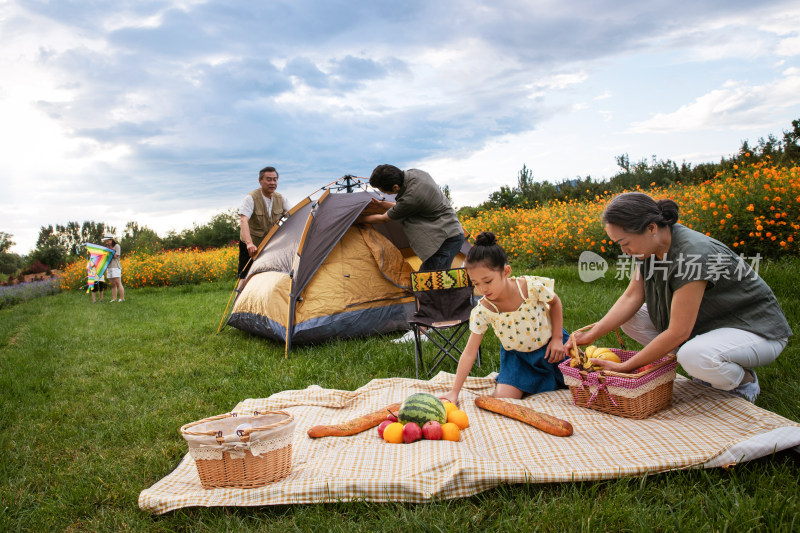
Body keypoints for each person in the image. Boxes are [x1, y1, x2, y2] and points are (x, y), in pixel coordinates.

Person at [565, 192, 791, 403]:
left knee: (694, 355)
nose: (624, 251)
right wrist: (591, 334)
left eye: (625, 243)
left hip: (755, 330)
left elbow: (678, 332)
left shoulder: (693, 254)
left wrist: (626, 368)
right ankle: (705, 365)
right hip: (709, 325)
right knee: (632, 319)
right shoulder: (648, 249)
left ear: (651, 227)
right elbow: (631, 298)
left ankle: (744, 382)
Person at [441, 231, 569, 405]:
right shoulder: (483, 310)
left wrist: (557, 339)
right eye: (476, 283)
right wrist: (454, 392)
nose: (483, 289)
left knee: (584, 379)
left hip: (550, 349)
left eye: (487, 281)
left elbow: (555, 302)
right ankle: (522, 380)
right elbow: (470, 352)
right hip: (518, 360)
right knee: (503, 399)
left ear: (506, 271)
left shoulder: (529, 287)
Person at [361, 164, 464, 272]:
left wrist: (359, 220)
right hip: (449, 232)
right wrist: (381, 204)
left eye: (384, 191)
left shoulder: (412, 197)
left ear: (395, 187)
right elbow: (403, 207)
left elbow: (384, 218)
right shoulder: (415, 173)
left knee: (429, 282)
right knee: (433, 281)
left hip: (445, 240)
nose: (384, 193)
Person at [237, 166, 291, 287]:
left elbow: (294, 215)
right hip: (251, 244)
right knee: (245, 276)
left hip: (270, 244)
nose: (272, 183)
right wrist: (249, 243)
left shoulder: (281, 198)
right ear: (260, 180)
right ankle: (237, 303)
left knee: (271, 274)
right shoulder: (250, 198)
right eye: (269, 179)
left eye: (275, 179)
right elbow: (243, 221)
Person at [103, 235, 125, 302]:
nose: (107, 243)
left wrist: (110, 250)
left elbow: (115, 256)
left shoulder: (117, 246)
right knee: (112, 284)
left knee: (118, 283)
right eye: (106, 242)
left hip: (115, 267)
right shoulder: (107, 248)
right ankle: (114, 298)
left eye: (108, 241)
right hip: (109, 267)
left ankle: (122, 298)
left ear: (111, 240)